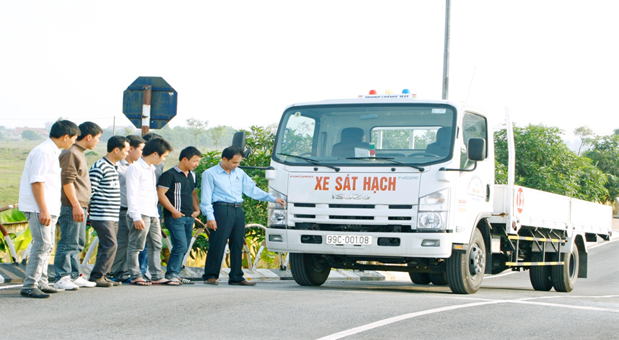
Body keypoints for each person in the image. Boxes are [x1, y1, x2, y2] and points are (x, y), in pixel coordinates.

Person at [200, 146, 285, 286]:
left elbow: (252, 190)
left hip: (237, 210)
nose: (236, 165)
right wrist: (210, 217)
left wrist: (272, 198)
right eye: (234, 162)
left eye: (238, 162)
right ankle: (210, 275)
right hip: (221, 209)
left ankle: (236, 276)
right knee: (218, 243)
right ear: (224, 159)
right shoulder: (210, 174)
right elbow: (206, 198)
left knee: (238, 243)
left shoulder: (239, 173)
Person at [19, 120, 80, 298]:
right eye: (73, 139)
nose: (73, 143)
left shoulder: (53, 152)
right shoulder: (44, 152)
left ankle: (42, 282)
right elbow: (37, 182)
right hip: (39, 207)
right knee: (42, 244)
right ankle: (30, 284)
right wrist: (43, 209)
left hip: (49, 207)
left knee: (48, 245)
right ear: (65, 136)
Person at [54, 121, 102, 291]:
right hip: (71, 205)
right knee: (68, 241)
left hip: (80, 205)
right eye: (97, 138)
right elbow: (67, 182)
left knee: (78, 242)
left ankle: (74, 275)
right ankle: (62, 276)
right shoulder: (71, 153)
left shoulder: (79, 153)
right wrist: (75, 205)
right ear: (88, 137)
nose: (98, 142)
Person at [125, 137, 178, 286]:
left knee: (156, 245)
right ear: (155, 154)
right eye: (164, 156)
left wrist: (155, 214)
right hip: (140, 213)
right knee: (136, 245)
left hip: (152, 213)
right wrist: (136, 216)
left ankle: (156, 275)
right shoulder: (135, 168)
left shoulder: (152, 169)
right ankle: (135, 275)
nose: (164, 159)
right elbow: (132, 193)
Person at [87, 135, 129, 287]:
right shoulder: (100, 166)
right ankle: (97, 276)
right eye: (126, 150)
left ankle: (102, 275)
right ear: (116, 149)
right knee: (111, 245)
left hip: (112, 215)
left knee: (107, 245)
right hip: (102, 214)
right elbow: (90, 191)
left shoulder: (113, 167)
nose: (127, 153)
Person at [157, 146, 203, 284]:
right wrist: (173, 211)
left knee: (186, 245)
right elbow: (161, 194)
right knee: (180, 245)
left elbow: (193, 193)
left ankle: (175, 273)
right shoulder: (169, 175)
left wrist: (197, 210)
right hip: (175, 217)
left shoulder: (193, 175)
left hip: (190, 216)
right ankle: (171, 274)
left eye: (198, 162)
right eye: (195, 161)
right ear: (184, 159)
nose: (196, 164)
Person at [109, 135, 145, 283]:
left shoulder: (137, 167)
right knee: (120, 242)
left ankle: (123, 273)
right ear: (131, 149)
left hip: (133, 210)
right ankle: (111, 272)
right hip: (120, 208)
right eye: (141, 149)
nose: (142, 153)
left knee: (131, 243)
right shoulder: (118, 166)